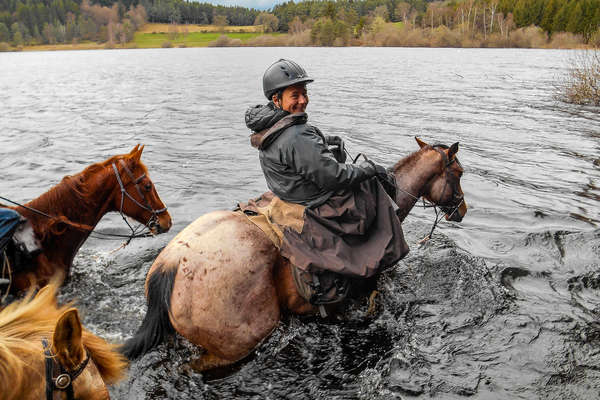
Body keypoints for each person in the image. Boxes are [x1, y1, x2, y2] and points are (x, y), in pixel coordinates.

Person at [244, 59, 408, 306]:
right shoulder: (296, 135)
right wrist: (368, 168)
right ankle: (372, 263)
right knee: (369, 190)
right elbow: (335, 177)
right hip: (313, 200)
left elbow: (298, 143)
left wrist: (324, 138)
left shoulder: (270, 123)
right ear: (276, 100)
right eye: (295, 95)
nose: (303, 100)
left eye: (305, 93)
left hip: (290, 191)